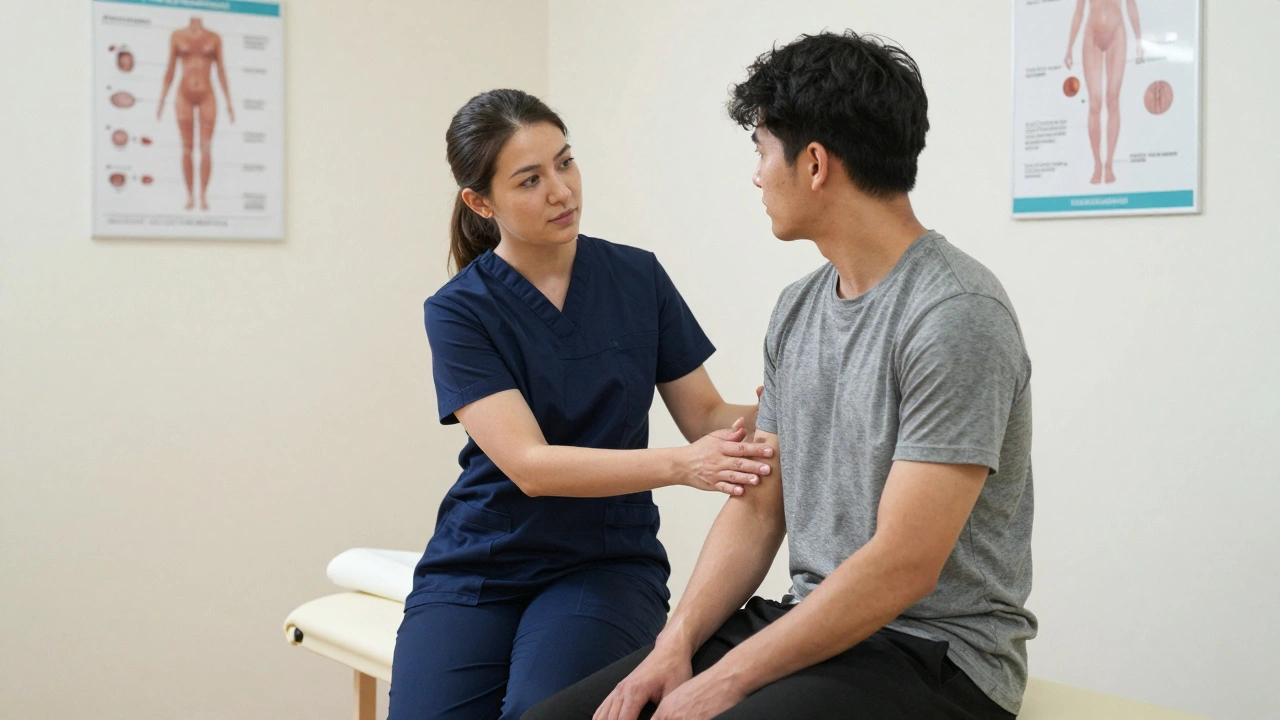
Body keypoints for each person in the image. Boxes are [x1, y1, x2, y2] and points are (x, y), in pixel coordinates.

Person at [526, 30, 1036, 720]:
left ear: (816, 164)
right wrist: (675, 646)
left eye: (763, 151)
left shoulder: (954, 314)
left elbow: (904, 565)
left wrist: (727, 680)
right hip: (814, 624)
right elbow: (759, 505)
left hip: (932, 654)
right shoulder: (798, 309)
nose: (757, 175)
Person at [387, 89, 774, 720]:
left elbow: (703, 415)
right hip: (479, 565)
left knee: (542, 711)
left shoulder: (636, 277)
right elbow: (531, 467)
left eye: (565, 164)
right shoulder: (459, 310)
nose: (561, 191)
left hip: (605, 564)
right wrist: (683, 466)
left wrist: (786, 405)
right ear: (480, 203)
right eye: (531, 180)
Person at [157, 17, 234, 211]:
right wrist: (161, 100)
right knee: (187, 147)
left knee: (206, 147)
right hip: (184, 94)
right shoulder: (177, 35)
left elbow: (222, 71)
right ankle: (190, 195)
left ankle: (203, 196)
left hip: (207, 93)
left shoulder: (214, 37)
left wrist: (229, 103)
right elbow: (170, 69)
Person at [1065, 0, 1143, 184]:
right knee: (1094, 104)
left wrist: (1140, 39)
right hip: (1092, 34)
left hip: (1117, 33)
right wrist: (1069, 46)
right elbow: (1079, 12)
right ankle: (1097, 165)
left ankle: (1109, 164)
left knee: (1113, 100)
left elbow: (1131, 4)